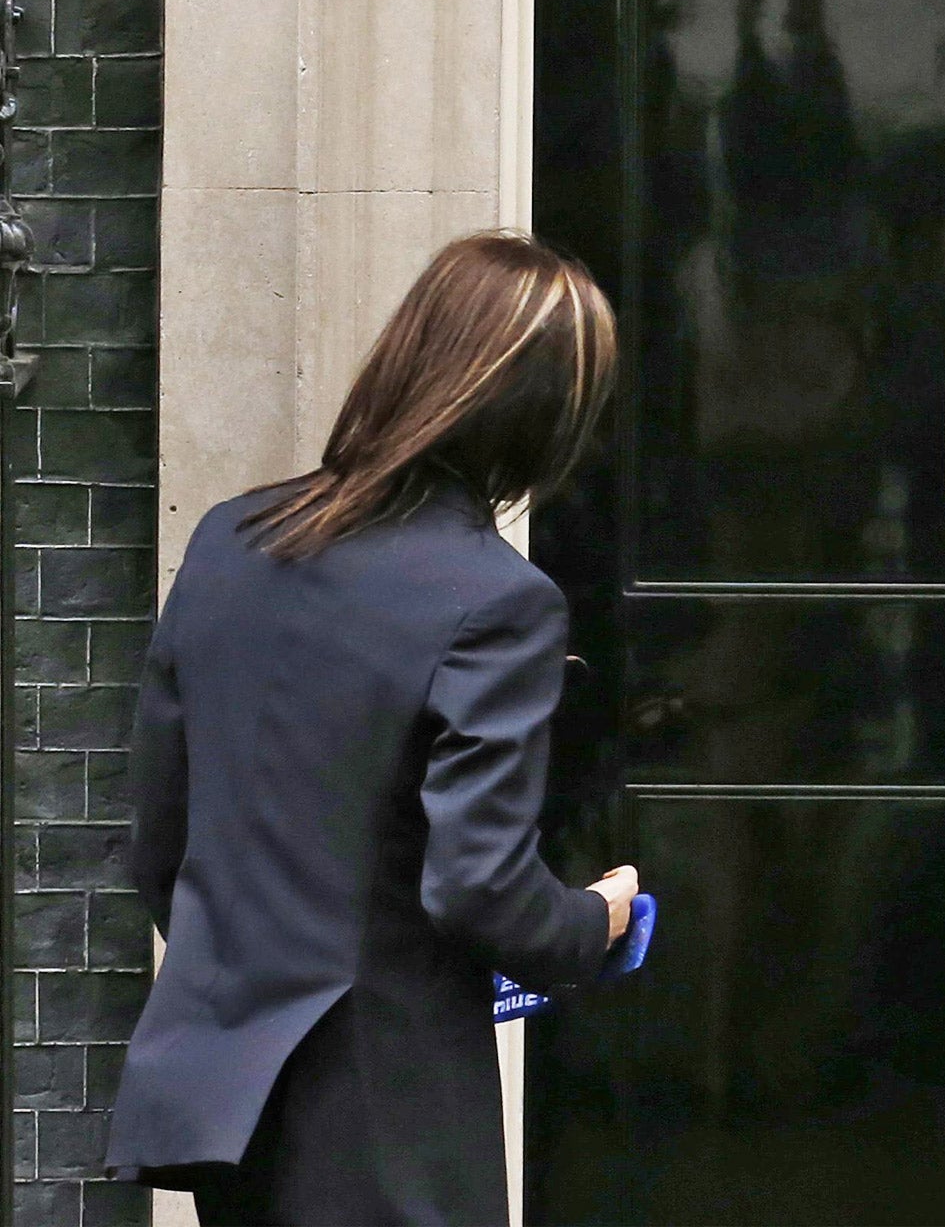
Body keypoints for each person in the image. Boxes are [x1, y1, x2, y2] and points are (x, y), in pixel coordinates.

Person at [104, 231, 640, 1226]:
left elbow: (159, 845)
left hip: (232, 1101)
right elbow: (476, 884)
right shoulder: (496, 600)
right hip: (389, 1110)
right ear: (539, 418)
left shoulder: (230, 539)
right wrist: (589, 924)